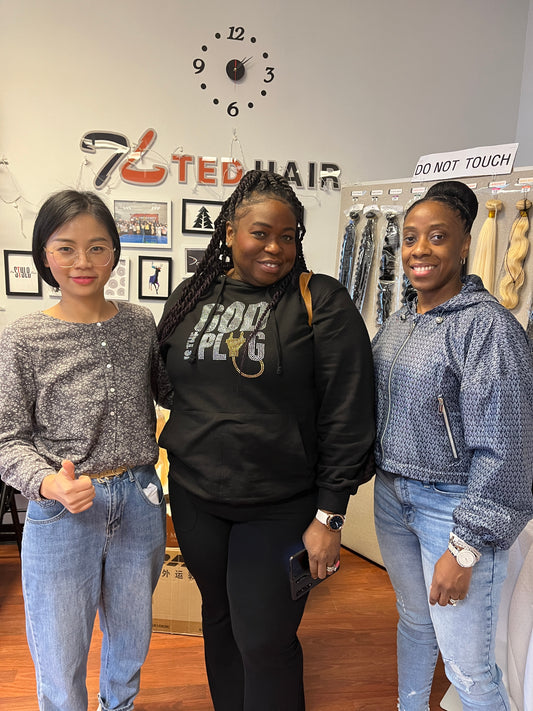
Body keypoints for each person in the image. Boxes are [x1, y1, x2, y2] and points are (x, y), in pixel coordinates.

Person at [157, 169, 375, 711]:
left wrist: (330, 516)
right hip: (196, 498)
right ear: (230, 232)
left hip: (280, 505)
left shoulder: (320, 299)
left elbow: (348, 413)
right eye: (260, 233)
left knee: (265, 638)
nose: (275, 247)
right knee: (219, 619)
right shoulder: (193, 295)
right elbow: (168, 382)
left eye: (287, 235)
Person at [0, 190, 173, 711]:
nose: (83, 262)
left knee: (131, 640)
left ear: (114, 253)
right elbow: (7, 438)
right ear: (44, 255)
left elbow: (172, 392)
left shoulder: (140, 323)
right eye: (66, 248)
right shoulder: (24, 337)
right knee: (59, 653)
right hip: (63, 510)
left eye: (97, 247)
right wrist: (47, 482)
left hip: (140, 499)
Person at [372, 180, 533, 711]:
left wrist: (465, 546)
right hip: (393, 497)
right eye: (411, 238)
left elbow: (507, 447)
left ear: (465, 245)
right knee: (415, 623)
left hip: (452, 509)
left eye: (437, 237)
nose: (420, 250)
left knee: (468, 668)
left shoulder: (489, 328)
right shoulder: (400, 322)